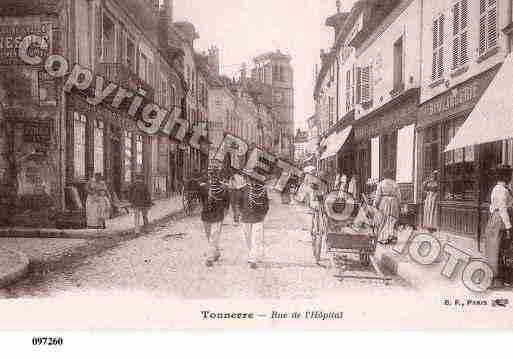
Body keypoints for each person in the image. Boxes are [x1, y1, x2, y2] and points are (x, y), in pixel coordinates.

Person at [485, 165, 513, 288]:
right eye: (509, 175)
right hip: (501, 221)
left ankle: (497, 276)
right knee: (503, 249)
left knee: (495, 248)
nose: (511, 177)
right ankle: (502, 278)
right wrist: (508, 227)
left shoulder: (497, 188)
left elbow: (493, 207)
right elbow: (502, 209)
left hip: (495, 219)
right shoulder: (502, 190)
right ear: (505, 176)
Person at [199, 160, 230, 267]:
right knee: (209, 237)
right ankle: (216, 252)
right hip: (206, 214)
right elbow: (202, 200)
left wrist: (224, 214)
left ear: (218, 174)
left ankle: (209, 258)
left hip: (218, 214)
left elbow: (227, 202)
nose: (213, 175)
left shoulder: (224, 187)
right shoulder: (204, 187)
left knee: (214, 236)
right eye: (211, 173)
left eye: (215, 173)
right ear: (208, 174)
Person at [239, 170, 270, 269]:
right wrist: (241, 213)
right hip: (246, 217)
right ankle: (252, 254)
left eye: (256, 180)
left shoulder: (263, 190)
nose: (254, 182)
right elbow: (240, 203)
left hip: (258, 217)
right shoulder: (244, 189)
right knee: (247, 238)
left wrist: (263, 215)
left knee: (256, 239)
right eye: (253, 179)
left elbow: (266, 205)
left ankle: (253, 259)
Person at [373, 170, 401, 245]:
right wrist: (399, 205)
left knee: (384, 220)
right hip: (394, 202)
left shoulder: (381, 183)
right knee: (392, 219)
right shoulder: (395, 184)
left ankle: (383, 238)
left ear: (384, 175)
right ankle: (391, 237)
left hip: (384, 202)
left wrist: (375, 204)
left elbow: (378, 195)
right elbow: (399, 196)